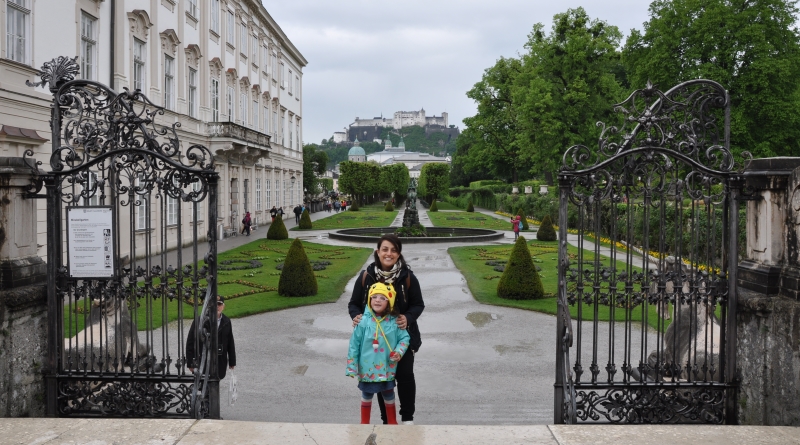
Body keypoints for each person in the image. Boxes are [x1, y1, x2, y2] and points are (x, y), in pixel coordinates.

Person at [348, 234, 424, 425]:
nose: (389, 254)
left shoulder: (407, 277)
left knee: (405, 375)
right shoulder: (367, 276)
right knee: (381, 378)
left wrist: (407, 318)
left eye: (394, 250)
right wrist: (357, 316)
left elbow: (418, 304)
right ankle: (386, 420)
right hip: (375, 339)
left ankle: (407, 418)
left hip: (401, 336)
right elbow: (354, 304)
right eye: (385, 249)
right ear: (378, 252)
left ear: (398, 254)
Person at [346, 282, 410, 425]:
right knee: (367, 394)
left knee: (388, 394)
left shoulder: (395, 321)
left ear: (390, 302)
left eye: (382, 298)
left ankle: (392, 422)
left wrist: (399, 352)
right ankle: (364, 423)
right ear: (369, 300)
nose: (377, 300)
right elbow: (354, 345)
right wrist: (351, 366)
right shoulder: (363, 322)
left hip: (387, 367)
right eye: (374, 297)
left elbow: (404, 338)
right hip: (367, 368)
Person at [186, 296, 236, 381]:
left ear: (223, 306)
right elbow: (190, 341)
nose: (217, 306)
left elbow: (230, 342)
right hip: (203, 358)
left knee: (216, 381)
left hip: (220, 360)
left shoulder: (227, 321)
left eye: (219, 304)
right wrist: (190, 362)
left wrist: (232, 361)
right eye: (214, 304)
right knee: (204, 384)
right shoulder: (199, 321)